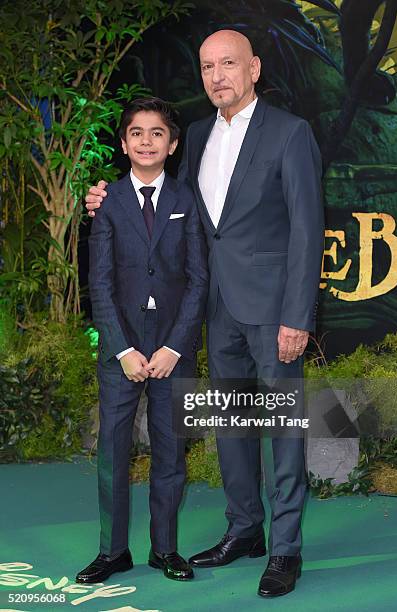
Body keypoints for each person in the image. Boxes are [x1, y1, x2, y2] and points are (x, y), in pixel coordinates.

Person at [85, 30, 324, 598]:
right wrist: (106, 196)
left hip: (273, 313)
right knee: (233, 427)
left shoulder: (290, 133)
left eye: (229, 64)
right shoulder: (193, 134)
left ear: (254, 69)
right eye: (208, 66)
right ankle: (245, 530)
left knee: (281, 430)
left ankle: (286, 549)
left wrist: (298, 315)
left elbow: (307, 230)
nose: (218, 76)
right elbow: (172, 202)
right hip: (214, 309)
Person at [77, 97, 208, 585]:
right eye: (137, 132)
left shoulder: (185, 200)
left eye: (157, 134)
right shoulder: (106, 202)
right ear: (125, 141)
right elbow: (100, 282)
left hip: (172, 345)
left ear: (172, 145)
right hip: (122, 346)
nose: (146, 141)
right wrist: (122, 348)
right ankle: (112, 552)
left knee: (171, 452)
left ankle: (165, 549)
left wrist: (174, 347)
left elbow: (198, 280)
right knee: (113, 449)